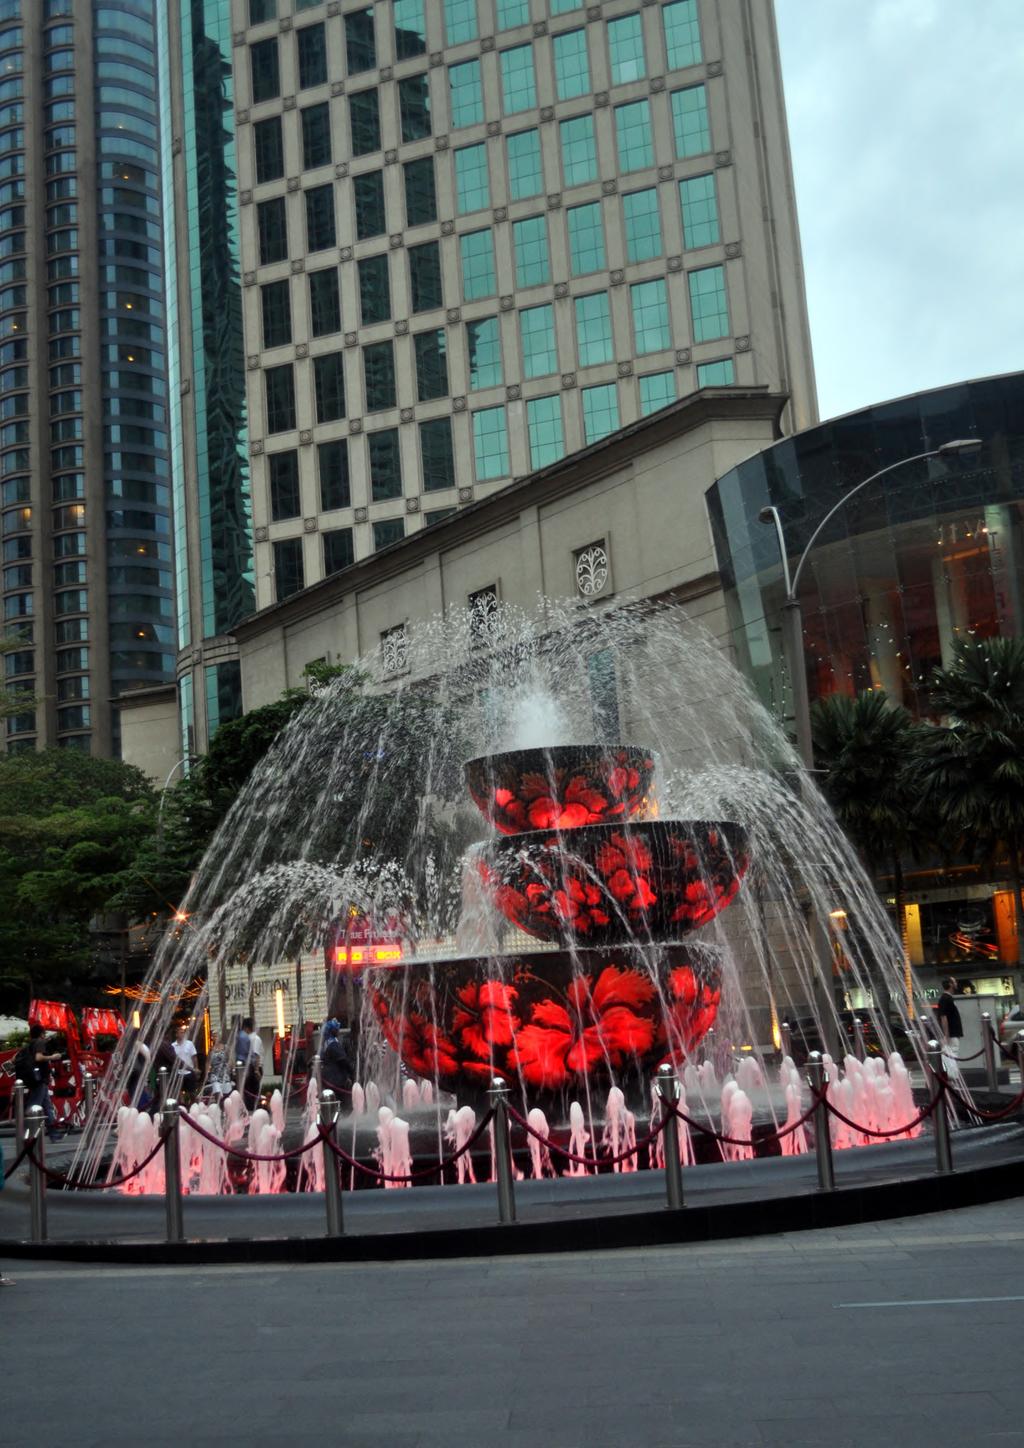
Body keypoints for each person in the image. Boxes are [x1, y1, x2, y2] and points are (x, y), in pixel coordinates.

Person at [24, 1024, 64, 1141]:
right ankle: (28, 1134)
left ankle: (54, 1134)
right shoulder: (39, 1043)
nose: (45, 1035)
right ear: (41, 1034)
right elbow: (38, 1058)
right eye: (44, 1033)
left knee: (48, 1107)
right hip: (39, 1079)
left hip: (37, 1079)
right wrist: (53, 1057)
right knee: (34, 1106)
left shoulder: (30, 1044)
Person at [321, 1019, 355, 1099]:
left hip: (329, 1079)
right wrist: (352, 1071)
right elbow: (343, 1060)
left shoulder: (326, 1043)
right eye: (337, 1029)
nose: (338, 1030)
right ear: (333, 1030)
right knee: (342, 1101)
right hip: (337, 1080)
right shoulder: (333, 1044)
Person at [936, 976, 963, 1057]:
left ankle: (952, 1069)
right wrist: (946, 1035)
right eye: (954, 982)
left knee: (951, 1053)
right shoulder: (945, 999)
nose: (956, 984)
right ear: (950, 984)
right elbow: (943, 1017)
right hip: (951, 1034)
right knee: (952, 1053)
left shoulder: (947, 998)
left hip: (952, 1033)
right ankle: (952, 1070)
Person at [171, 1023, 199, 1098]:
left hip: (189, 1071)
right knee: (179, 1092)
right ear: (176, 1034)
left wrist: (196, 1068)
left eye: (183, 1032)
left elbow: (194, 1057)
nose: (183, 1034)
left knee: (191, 1092)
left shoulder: (189, 1044)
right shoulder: (173, 1046)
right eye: (181, 1032)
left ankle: (192, 1104)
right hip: (178, 1072)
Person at [240, 1017, 263, 1109]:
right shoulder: (250, 1038)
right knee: (251, 1091)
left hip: (253, 1068)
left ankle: (253, 1108)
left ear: (246, 1028)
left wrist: (256, 1070)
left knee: (252, 1090)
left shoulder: (254, 1039)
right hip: (250, 1067)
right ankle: (251, 1108)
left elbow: (256, 1055)